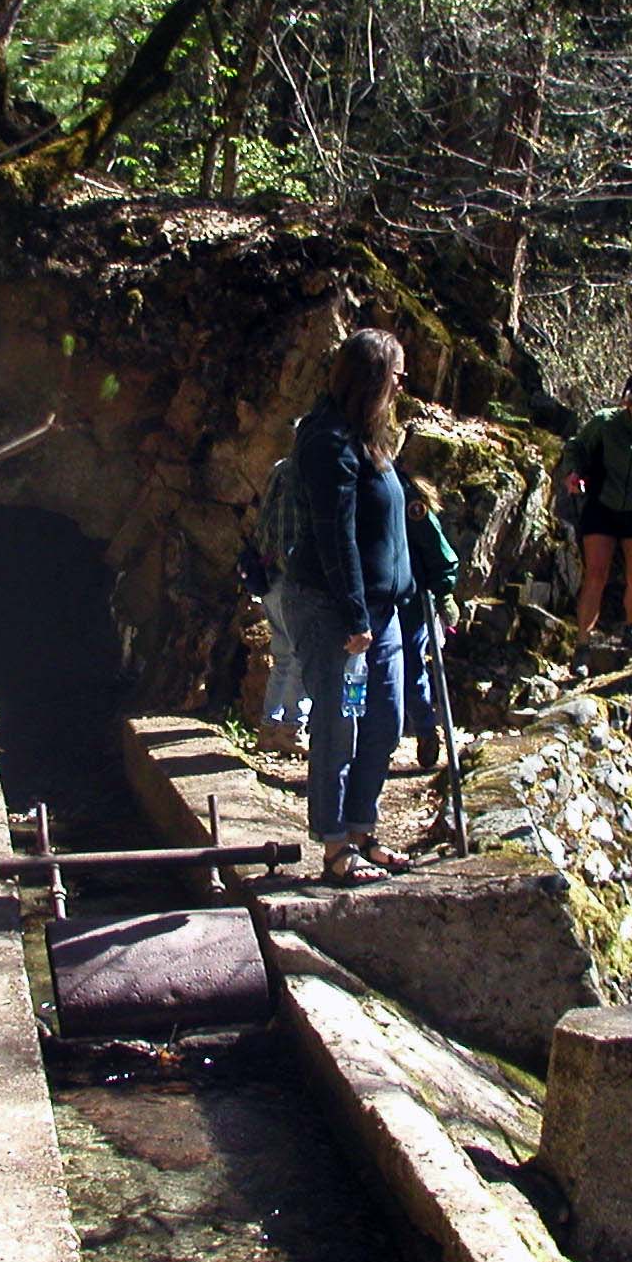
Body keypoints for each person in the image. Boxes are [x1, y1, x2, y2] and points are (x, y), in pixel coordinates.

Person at [282, 328, 414, 885]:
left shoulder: (368, 438)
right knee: (340, 729)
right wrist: (356, 617)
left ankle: (362, 829)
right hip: (333, 609)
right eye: (397, 374)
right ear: (373, 377)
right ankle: (335, 848)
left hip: (381, 611)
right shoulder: (327, 441)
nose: (402, 384)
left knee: (386, 721)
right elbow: (335, 537)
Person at [558, 371, 632, 648]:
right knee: (596, 574)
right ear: (629, 405)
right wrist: (573, 473)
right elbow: (576, 447)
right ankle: (583, 643)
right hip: (602, 503)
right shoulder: (605, 422)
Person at [396, 473, 460, 771]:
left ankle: (424, 729)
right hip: (371, 598)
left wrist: (444, 593)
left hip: (409, 600)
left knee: (410, 668)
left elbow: (438, 549)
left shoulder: (407, 495)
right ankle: (373, 738)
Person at [251, 453, 312, 755]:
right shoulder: (304, 474)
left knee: (283, 657)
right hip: (291, 582)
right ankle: (291, 729)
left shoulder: (278, 469)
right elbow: (291, 534)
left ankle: (268, 728)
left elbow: (262, 526)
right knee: (301, 657)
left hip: (269, 578)